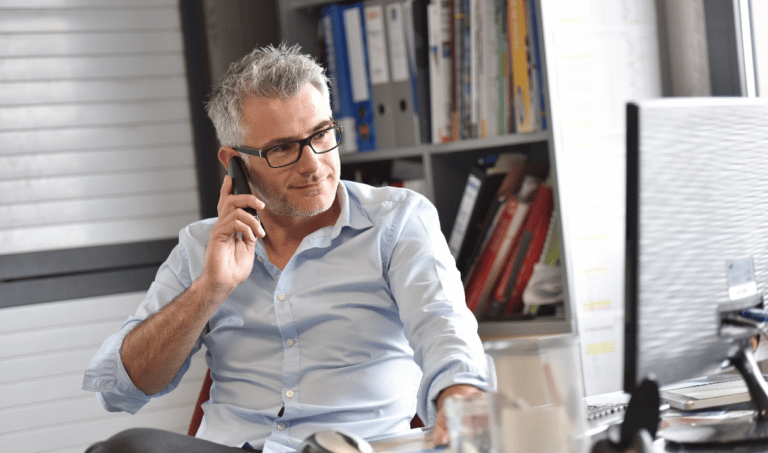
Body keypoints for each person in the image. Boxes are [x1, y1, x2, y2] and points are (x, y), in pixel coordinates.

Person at [82, 44, 494, 453]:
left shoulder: (398, 221)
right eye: (282, 148)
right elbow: (118, 390)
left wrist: (459, 394)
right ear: (235, 163)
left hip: (356, 447)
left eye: (321, 134)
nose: (313, 163)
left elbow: (442, 322)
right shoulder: (200, 246)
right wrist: (209, 289)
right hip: (236, 447)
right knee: (124, 449)